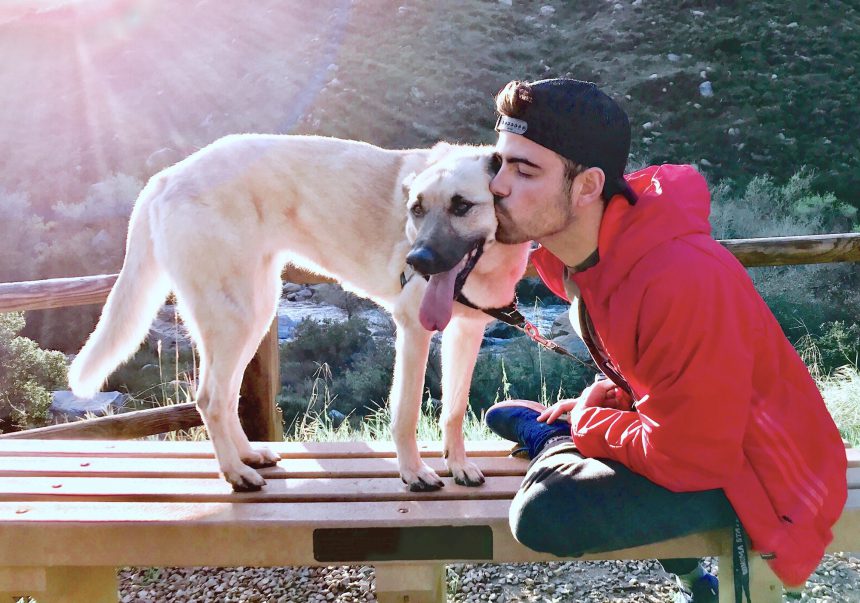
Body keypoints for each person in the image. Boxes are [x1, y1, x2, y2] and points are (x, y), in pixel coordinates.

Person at [483, 78, 847, 603]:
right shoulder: (596, 259)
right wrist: (621, 404)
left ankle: (555, 441)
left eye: (525, 170)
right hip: (710, 440)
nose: (498, 185)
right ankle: (690, 577)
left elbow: (693, 460)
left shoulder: (676, 278)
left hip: (765, 477)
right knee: (572, 481)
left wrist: (589, 424)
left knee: (545, 512)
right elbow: (667, 381)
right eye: (500, 163)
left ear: (586, 187)